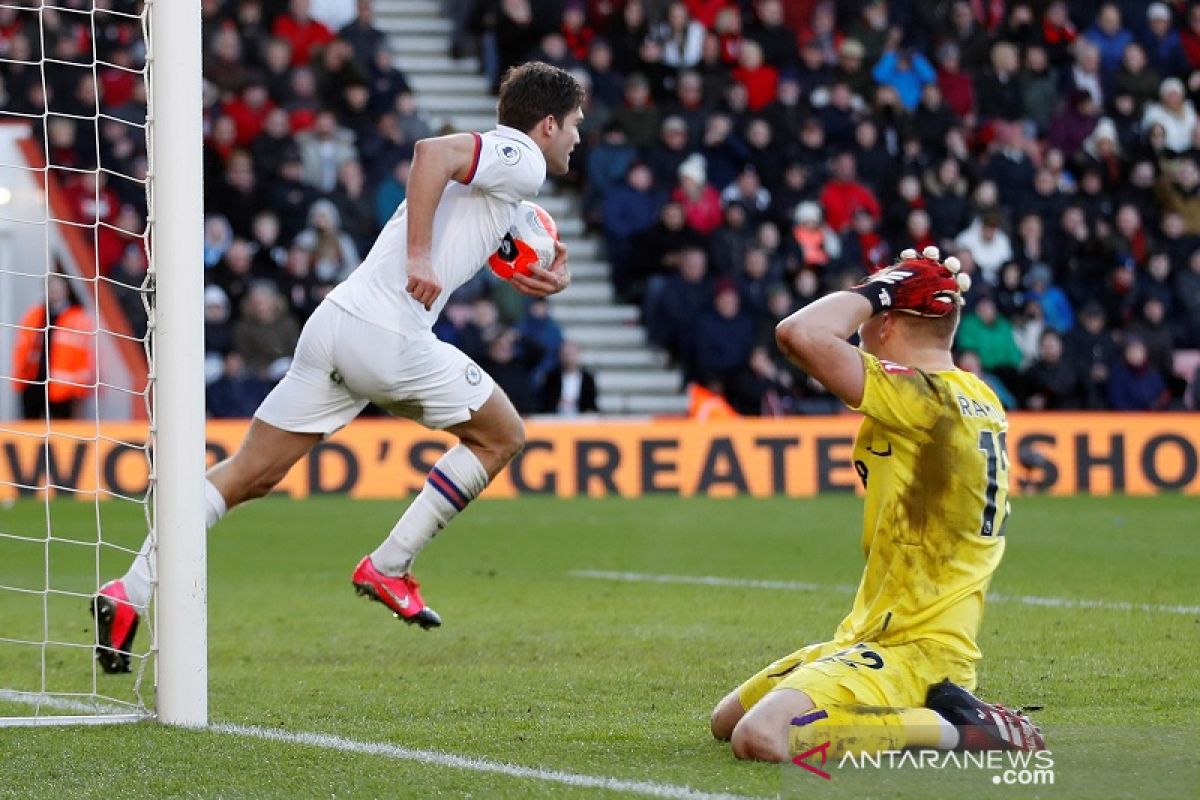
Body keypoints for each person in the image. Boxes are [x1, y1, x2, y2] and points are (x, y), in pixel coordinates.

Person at [90, 62, 583, 674]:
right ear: (548, 122)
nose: (577, 140)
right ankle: (391, 564)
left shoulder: (504, 184)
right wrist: (422, 255)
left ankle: (128, 592)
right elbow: (431, 153)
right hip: (389, 333)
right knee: (503, 435)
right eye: (575, 126)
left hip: (336, 324)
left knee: (249, 474)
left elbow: (500, 236)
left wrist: (547, 278)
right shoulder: (523, 158)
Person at [709, 247, 1045, 761]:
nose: (859, 324)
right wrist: (914, 288)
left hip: (917, 650)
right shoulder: (974, 394)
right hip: (872, 634)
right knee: (725, 721)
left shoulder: (924, 396)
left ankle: (961, 731)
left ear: (887, 322)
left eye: (871, 314)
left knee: (760, 736)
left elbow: (798, 334)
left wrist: (880, 288)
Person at [10, 274, 95, 420]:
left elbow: (84, 355)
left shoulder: (77, 318)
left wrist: (80, 388)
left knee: (60, 434)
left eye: (58, 286)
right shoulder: (34, 314)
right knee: (30, 432)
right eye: (51, 286)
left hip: (63, 389)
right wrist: (20, 375)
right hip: (32, 382)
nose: (54, 290)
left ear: (66, 289)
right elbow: (21, 347)